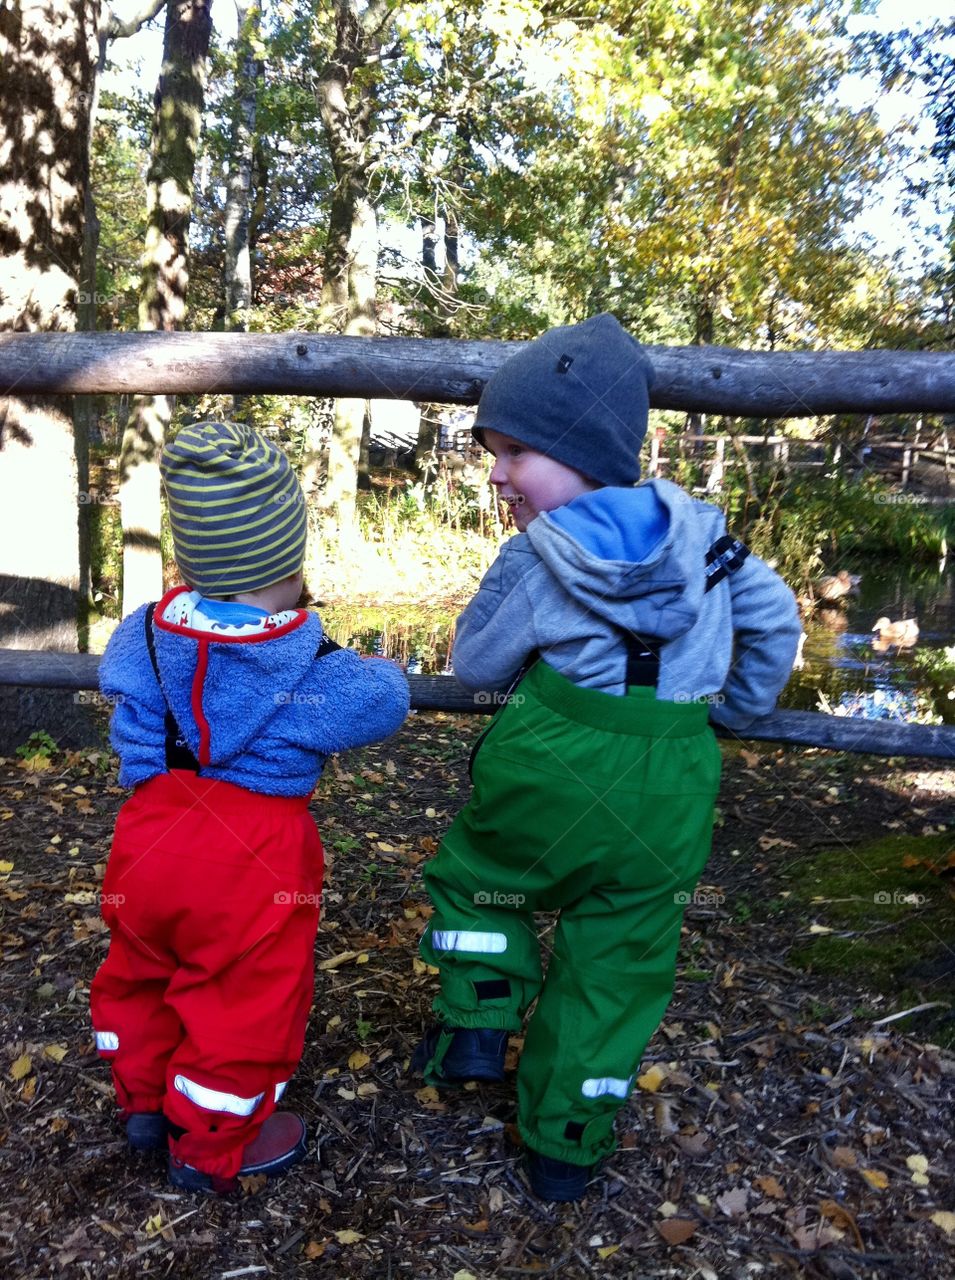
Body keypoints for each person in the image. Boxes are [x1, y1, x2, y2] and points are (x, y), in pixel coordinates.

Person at [412, 315, 800, 1202]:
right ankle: (565, 1143)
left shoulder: (535, 555)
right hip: (674, 777)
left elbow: (477, 666)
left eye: (515, 453)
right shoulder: (710, 542)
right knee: (622, 954)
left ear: (581, 451)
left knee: (480, 880)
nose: (497, 475)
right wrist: (734, 709)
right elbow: (776, 622)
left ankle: (478, 1015)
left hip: (553, 761)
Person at [91, 420, 409, 1194]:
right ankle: (208, 1143)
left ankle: (144, 1102)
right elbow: (382, 701)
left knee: (141, 969)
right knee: (242, 998)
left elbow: (118, 682)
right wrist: (369, 660)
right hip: (253, 861)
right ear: (286, 563)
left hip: (147, 839)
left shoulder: (141, 635)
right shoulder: (309, 666)